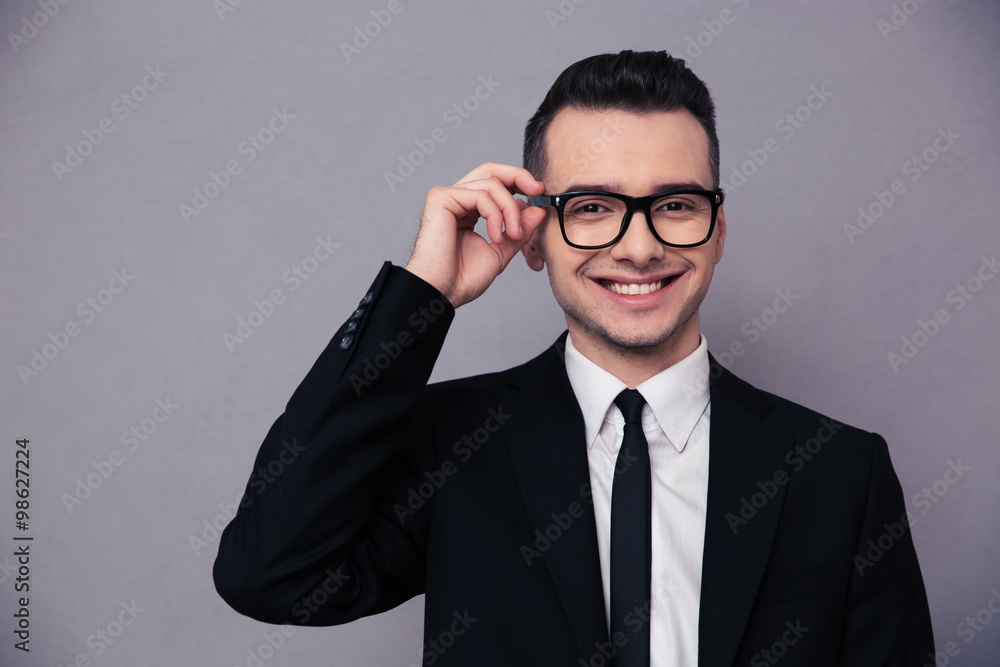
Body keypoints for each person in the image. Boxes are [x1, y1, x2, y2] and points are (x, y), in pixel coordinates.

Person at [214, 50, 934, 665]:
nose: (640, 246)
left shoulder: (841, 471)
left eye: (676, 204)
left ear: (716, 229)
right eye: (592, 207)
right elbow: (269, 572)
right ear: (533, 236)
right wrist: (422, 294)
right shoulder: (454, 445)